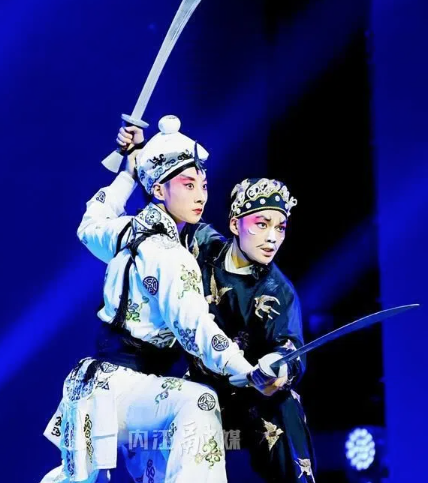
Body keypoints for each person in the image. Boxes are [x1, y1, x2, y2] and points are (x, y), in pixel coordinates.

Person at [40, 116, 281, 483]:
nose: (200, 196)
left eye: (203, 185)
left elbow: (91, 223)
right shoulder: (170, 256)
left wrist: (128, 172)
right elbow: (196, 330)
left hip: (97, 390)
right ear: (158, 190)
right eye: (188, 185)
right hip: (124, 391)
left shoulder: (126, 231)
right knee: (199, 403)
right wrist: (245, 371)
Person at [189, 177, 316, 483]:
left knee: (286, 406)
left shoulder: (278, 292)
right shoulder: (202, 245)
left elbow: (291, 351)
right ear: (235, 224)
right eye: (262, 224)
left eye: (280, 228)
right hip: (196, 393)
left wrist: (277, 370)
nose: (272, 237)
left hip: (249, 407)